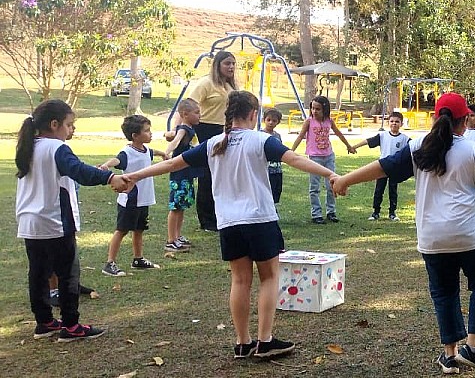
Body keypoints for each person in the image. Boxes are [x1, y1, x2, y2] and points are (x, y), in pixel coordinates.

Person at [331, 92, 475, 374]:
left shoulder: (418, 145)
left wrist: (345, 179)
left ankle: (450, 355)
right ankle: (473, 347)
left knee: (444, 293)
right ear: (464, 121)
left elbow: (383, 167)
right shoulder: (473, 151)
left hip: (431, 238)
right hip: (467, 234)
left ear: (436, 118)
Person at [123, 91, 337, 359]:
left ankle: (242, 342)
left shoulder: (213, 143)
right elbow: (294, 159)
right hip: (260, 219)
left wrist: (133, 176)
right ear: (253, 114)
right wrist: (330, 173)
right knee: (269, 277)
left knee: (240, 280)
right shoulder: (261, 140)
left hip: (229, 223)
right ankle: (265, 340)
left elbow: (171, 164)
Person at [16, 99, 125, 341]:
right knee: (68, 274)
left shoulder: (29, 146)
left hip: (30, 222)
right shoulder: (57, 148)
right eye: (69, 124)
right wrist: (110, 178)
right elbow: (80, 171)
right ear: (54, 125)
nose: (71, 129)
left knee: (38, 272)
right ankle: (71, 325)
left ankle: (44, 322)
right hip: (54, 222)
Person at [99, 115, 169, 276]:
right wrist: (106, 165)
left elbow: (152, 152)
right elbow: (117, 160)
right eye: (146, 131)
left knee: (139, 229)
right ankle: (109, 263)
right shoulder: (127, 152)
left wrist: (163, 154)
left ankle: (138, 259)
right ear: (135, 136)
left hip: (143, 199)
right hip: (130, 199)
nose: (150, 133)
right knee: (122, 230)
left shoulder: (144, 150)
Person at [189, 50, 238, 232]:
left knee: (223, 176)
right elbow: (189, 105)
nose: (231, 67)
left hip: (226, 130)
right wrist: (178, 130)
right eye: (227, 63)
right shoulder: (206, 83)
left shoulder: (231, 87)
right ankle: (207, 220)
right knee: (207, 176)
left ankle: (221, 216)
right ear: (217, 65)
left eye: (233, 63)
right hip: (206, 129)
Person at [291, 95, 355, 224]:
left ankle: (331, 212)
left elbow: (338, 133)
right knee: (314, 187)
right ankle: (316, 214)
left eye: (318, 109)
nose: (314, 111)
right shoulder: (309, 121)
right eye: (313, 108)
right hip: (314, 158)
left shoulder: (329, 121)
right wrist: (290, 152)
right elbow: (300, 137)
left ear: (325, 110)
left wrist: (348, 146)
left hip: (328, 156)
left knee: (332, 185)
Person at [349, 111, 409, 221]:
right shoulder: (383, 136)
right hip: (382, 167)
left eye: (397, 122)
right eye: (392, 121)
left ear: (401, 124)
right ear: (388, 123)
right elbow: (368, 141)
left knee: (393, 190)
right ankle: (376, 212)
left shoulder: (405, 139)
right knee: (379, 190)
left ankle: (392, 213)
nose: (394, 124)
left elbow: (415, 148)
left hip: (395, 168)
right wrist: (354, 147)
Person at [163, 99, 201, 252]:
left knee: (182, 205)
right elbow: (176, 140)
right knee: (176, 207)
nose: (200, 116)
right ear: (185, 114)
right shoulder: (184, 128)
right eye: (197, 113)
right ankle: (171, 240)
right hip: (179, 174)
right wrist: (166, 152)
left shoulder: (190, 128)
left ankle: (177, 237)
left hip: (187, 173)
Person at [262, 109, 285, 206]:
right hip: (265, 170)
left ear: (278, 122)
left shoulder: (277, 136)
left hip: (277, 169)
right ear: (264, 120)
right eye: (269, 120)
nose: (271, 123)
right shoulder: (260, 134)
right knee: (266, 191)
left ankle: (273, 208)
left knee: (276, 191)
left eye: (274, 121)